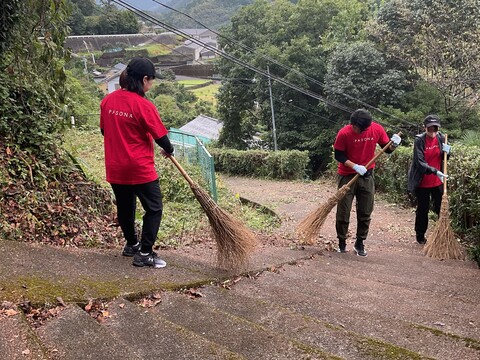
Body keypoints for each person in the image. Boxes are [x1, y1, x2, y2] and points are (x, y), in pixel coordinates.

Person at [100, 57, 174, 269]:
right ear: (143, 79)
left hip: (115, 166)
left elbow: (104, 130)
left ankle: (132, 244)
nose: (151, 84)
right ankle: (145, 253)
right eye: (151, 80)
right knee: (154, 208)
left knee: (125, 207)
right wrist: (169, 150)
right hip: (139, 167)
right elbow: (162, 138)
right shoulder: (144, 105)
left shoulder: (107, 101)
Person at [333, 109, 401, 256]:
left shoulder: (376, 129)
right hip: (347, 176)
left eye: (363, 129)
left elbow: (386, 149)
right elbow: (338, 155)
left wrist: (394, 144)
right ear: (353, 124)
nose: (360, 131)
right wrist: (355, 166)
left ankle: (360, 242)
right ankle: (342, 242)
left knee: (365, 211)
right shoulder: (344, 133)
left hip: (367, 176)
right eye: (357, 128)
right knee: (343, 211)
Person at [407, 115, 450, 244]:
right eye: (430, 128)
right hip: (423, 181)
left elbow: (445, 158)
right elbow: (419, 162)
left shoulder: (442, 138)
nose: (433, 132)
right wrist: (434, 171)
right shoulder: (419, 140)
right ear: (424, 127)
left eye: (435, 128)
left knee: (439, 208)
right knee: (423, 209)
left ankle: (441, 235)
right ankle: (420, 236)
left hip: (437, 181)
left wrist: (448, 152)